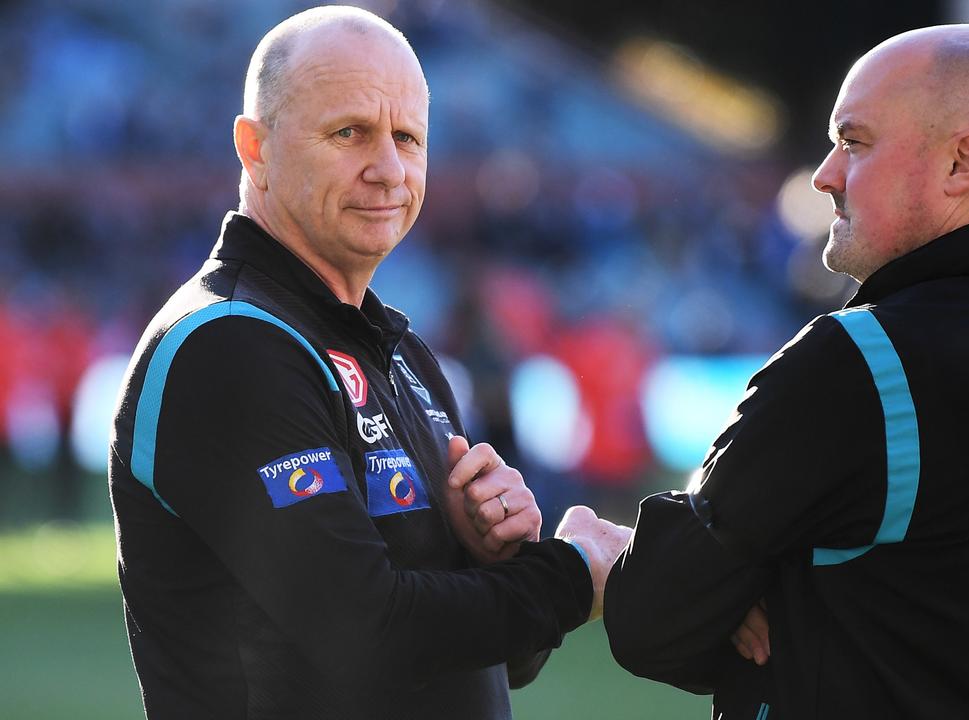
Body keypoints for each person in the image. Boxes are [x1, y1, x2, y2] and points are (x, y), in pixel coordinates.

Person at [603, 23, 969, 719]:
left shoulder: (861, 362)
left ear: (962, 162)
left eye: (855, 142)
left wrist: (622, 561)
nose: (824, 175)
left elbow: (652, 618)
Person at [107, 7, 631, 719]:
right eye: (349, 132)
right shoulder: (227, 345)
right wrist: (569, 574)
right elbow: (364, 632)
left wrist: (498, 559)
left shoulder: (398, 352)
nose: (388, 169)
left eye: (408, 137)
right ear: (255, 148)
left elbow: (494, 658)